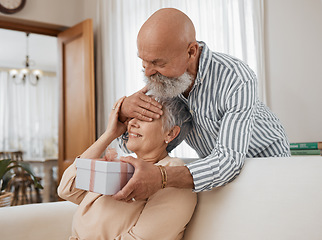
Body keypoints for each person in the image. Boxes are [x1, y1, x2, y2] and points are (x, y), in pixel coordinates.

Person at [113, 8, 290, 202]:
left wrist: (162, 177)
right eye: (143, 62)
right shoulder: (163, 81)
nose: (147, 73)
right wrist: (122, 114)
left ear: (191, 51)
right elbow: (141, 145)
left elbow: (228, 161)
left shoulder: (237, 78)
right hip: (217, 172)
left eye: (157, 63)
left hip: (268, 163)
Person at [58, 96, 197, 240]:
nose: (131, 123)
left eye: (144, 117)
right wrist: (109, 134)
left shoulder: (172, 172)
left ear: (170, 133)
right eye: (132, 117)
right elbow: (67, 189)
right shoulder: (122, 165)